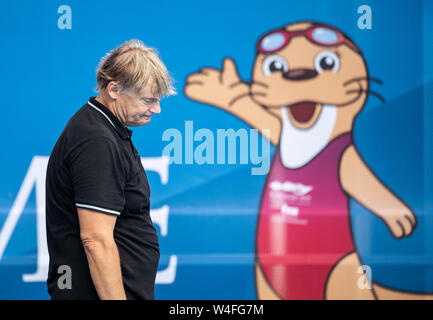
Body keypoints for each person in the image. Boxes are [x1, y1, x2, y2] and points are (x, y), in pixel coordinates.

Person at [45, 39, 175, 300]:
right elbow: (96, 241)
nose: (157, 109)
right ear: (114, 89)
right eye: (148, 100)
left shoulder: (104, 129)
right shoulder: (97, 141)